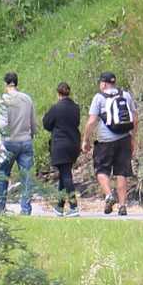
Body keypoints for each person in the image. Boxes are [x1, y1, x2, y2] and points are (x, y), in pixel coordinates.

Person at [87, 71, 139, 215]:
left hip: (105, 141)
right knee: (122, 172)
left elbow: (92, 121)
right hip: (124, 139)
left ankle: (109, 195)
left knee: (101, 170)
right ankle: (122, 206)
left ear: (103, 84)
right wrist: (133, 138)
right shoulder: (126, 95)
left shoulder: (99, 97)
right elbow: (135, 119)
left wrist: (85, 139)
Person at [0, 71, 37, 216]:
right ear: (16, 83)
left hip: (10, 142)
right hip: (25, 141)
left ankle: (0, 206)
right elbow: (33, 121)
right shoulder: (27, 99)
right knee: (26, 177)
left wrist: (0, 142)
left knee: (3, 174)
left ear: (5, 84)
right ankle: (26, 209)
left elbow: (3, 124)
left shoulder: (4, 100)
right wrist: (32, 134)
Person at [41, 81, 84, 213]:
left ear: (58, 94)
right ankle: (59, 206)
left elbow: (46, 123)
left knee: (66, 175)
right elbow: (76, 122)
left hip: (60, 144)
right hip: (73, 143)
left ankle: (73, 206)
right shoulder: (76, 108)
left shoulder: (56, 108)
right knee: (64, 174)